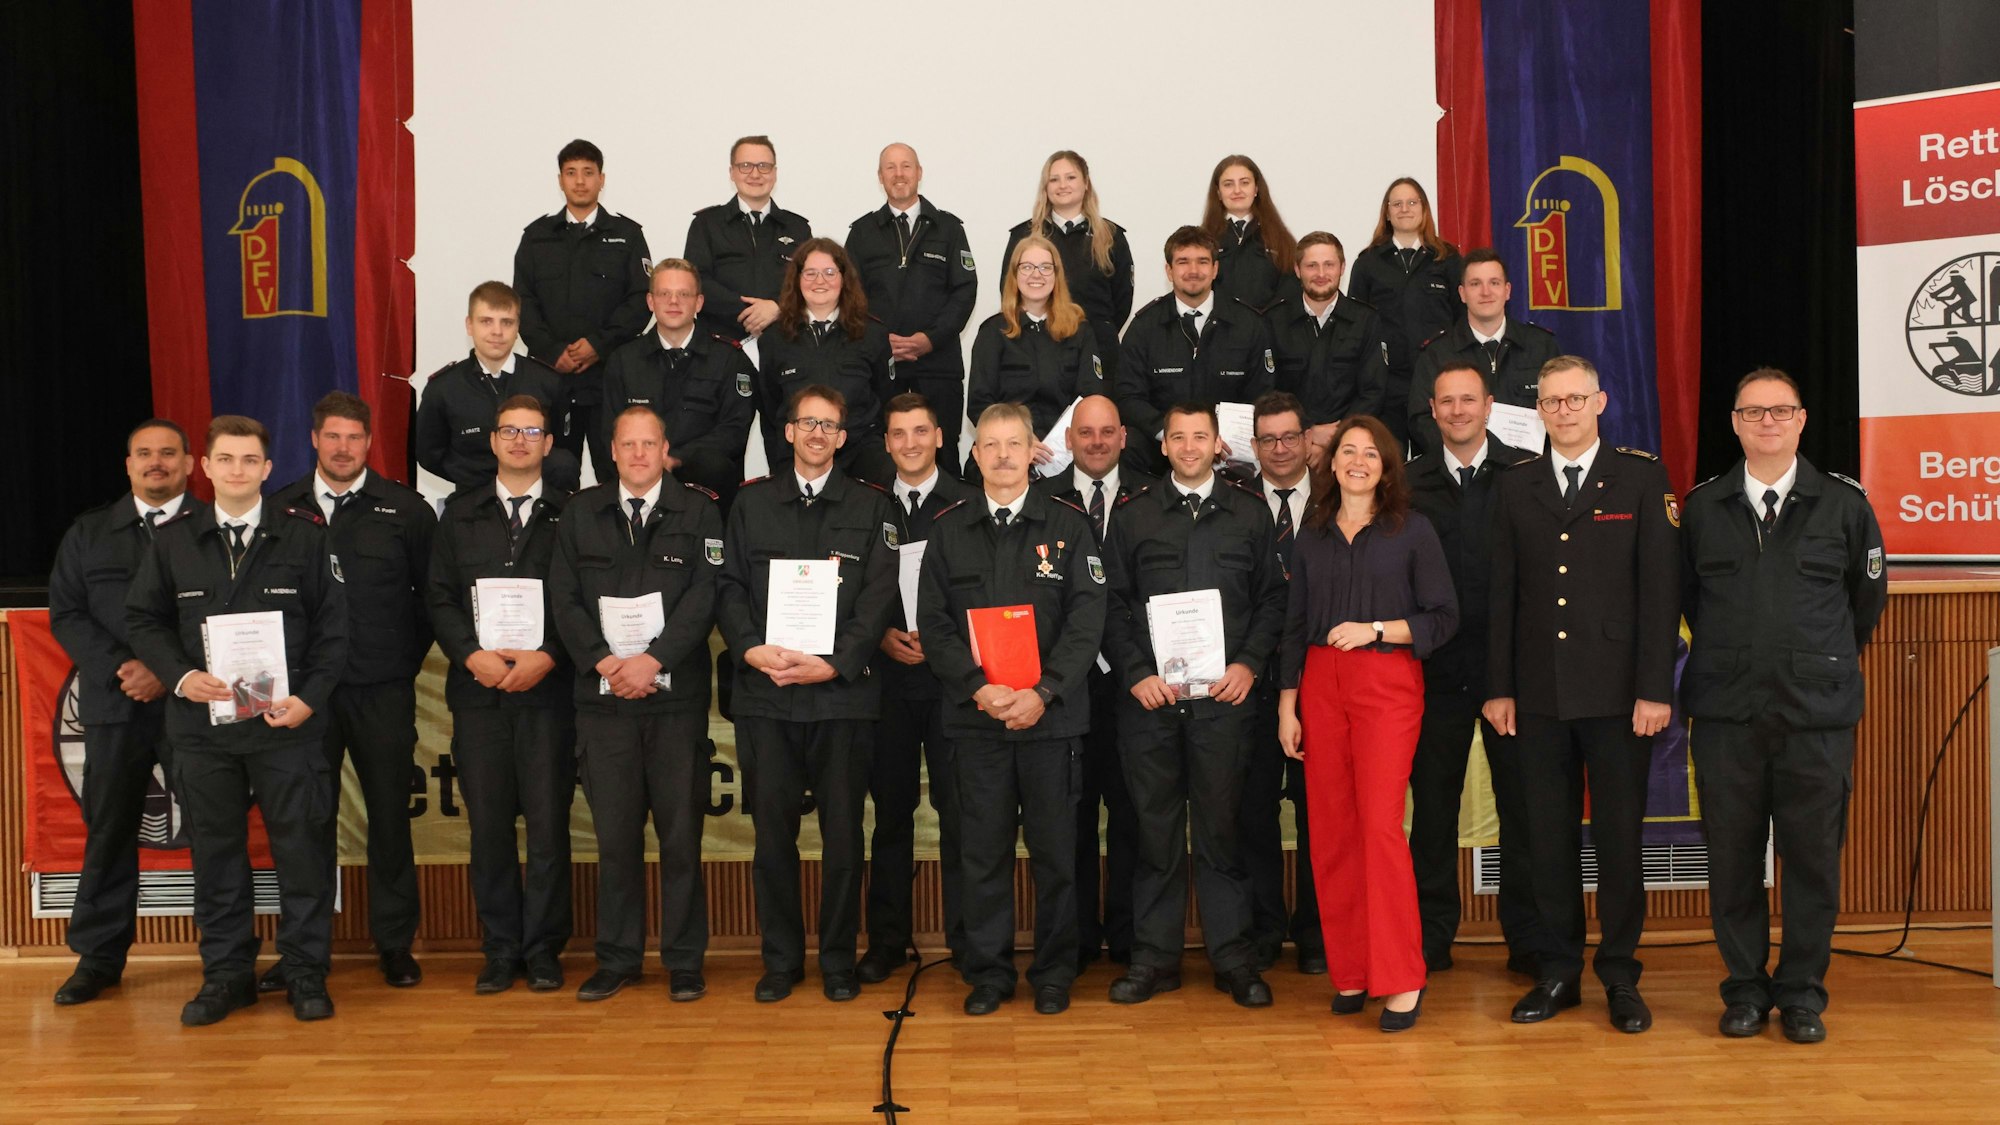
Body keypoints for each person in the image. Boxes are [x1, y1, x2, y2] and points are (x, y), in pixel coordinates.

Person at [1681, 368, 1887, 1045]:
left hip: (1815, 716)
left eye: (1780, 411)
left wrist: (1813, 663)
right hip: (1727, 714)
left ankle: (1801, 992)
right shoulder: (1703, 508)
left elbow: (1864, 605)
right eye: (1753, 412)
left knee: (1812, 862)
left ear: (1801, 420)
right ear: (1735, 424)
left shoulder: (1844, 505)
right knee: (1732, 859)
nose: (1767, 422)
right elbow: (1689, 600)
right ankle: (1744, 989)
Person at [125, 415, 348, 1025]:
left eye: (250, 460)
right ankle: (226, 975)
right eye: (225, 459)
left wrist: (309, 699)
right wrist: (179, 676)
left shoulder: (304, 536)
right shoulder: (173, 539)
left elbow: (334, 631)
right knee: (216, 856)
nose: (237, 470)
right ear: (205, 467)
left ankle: (304, 971)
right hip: (203, 732)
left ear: (267, 469)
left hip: (286, 728)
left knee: (302, 853)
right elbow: (142, 619)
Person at [1484, 355, 1679, 1034]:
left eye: (1575, 399)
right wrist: (1499, 687)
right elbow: (1501, 593)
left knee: (1620, 840)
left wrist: (1655, 688)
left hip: (1620, 696)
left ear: (1600, 402)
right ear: (1538, 409)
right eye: (1551, 401)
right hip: (1538, 695)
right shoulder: (1517, 485)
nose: (1563, 411)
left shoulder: (1641, 478)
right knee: (1548, 840)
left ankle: (1620, 974)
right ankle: (1560, 970)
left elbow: (1661, 592)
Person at [916, 402, 1106, 1015]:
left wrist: (1043, 693)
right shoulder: (948, 529)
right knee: (982, 854)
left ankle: (1053, 973)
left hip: (1052, 722)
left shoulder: (1069, 526)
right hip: (977, 722)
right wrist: (978, 688)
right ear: (974, 455)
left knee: (1057, 856)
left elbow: (1086, 621)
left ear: (1033, 453)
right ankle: (989, 973)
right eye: (990, 445)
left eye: (1013, 444)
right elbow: (934, 624)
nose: (1002, 455)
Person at [716, 385, 899, 1003]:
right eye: (807, 423)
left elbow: (878, 598)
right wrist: (749, 648)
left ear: (842, 438)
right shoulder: (751, 503)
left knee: (844, 839)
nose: (817, 434)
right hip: (766, 694)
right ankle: (781, 960)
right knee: (773, 839)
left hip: (840, 698)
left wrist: (836, 664)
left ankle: (839, 960)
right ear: (788, 431)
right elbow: (729, 586)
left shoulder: (871, 506)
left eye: (829, 425)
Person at [1102, 403, 1287, 1009]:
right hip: (1151, 705)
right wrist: (1136, 673)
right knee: (1154, 836)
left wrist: (1249, 664)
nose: (1188, 447)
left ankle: (1234, 958)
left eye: (1199, 436)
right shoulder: (1132, 515)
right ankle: (1154, 960)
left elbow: (1272, 601)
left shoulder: (1250, 514)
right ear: (1162, 446)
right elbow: (1110, 604)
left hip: (1224, 705)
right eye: (1177, 437)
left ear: (1217, 444)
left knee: (1223, 833)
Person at [1277, 413, 1456, 1032]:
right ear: (1330, 463)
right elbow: (1295, 623)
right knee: (1331, 830)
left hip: (1386, 682)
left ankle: (1401, 977)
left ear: (1386, 466)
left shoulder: (1412, 530)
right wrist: (1287, 706)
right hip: (1320, 684)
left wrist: (1376, 629)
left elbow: (1443, 617)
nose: (1357, 461)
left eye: (1370, 453)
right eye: (1347, 451)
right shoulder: (1313, 532)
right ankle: (1352, 969)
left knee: (1379, 827)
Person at [548, 406, 723, 1003]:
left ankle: (684, 961)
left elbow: (705, 596)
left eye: (650, 443)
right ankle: (618, 958)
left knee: (681, 838)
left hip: (675, 702)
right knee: (616, 840)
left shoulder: (699, 511)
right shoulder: (581, 513)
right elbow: (564, 598)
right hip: (603, 704)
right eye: (629, 444)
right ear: (613, 450)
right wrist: (604, 662)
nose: (640, 454)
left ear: (665, 448)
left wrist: (654, 660)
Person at [266, 393, 434, 992]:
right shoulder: (278, 509)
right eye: (332, 437)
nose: (343, 448)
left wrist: (397, 664)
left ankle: (395, 945)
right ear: (314, 439)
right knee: (305, 823)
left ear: (369, 442)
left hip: (380, 690)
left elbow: (431, 601)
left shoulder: (406, 510)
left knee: (389, 817)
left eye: (354, 438)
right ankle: (303, 951)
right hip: (304, 698)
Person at [48, 420, 206, 1005]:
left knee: (213, 828)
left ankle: (226, 957)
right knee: (110, 830)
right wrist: (124, 667)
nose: (155, 462)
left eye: (168, 453)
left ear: (189, 463)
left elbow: (228, 611)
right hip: (115, 704)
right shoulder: (90, 533)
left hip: (191, 702)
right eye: (144, 453)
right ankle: (98, 959)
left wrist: (167, 669)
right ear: (129, 464)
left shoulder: (215, 527)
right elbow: (67, 613)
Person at [425, 396, 575, 995]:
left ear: (548, 445)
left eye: (531, 432)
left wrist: (550, 655)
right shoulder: (459, 513)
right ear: (492, 441)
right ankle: (500, 947)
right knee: (488, 828)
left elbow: (580, 599)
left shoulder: (572, 513)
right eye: (509, 431)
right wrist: (471, 655)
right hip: (479, 692)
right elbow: (439, 597)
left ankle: (543, 949)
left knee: (548, 828)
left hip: (547, 692)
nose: (519, 441)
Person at [1404, 364, 1549, 975]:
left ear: (1490, 406)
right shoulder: (1407, 482)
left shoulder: (1525, 474)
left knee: (1523, 810)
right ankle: (1430, 939)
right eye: (1447, 401)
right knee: (1432, 813)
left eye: (1469, 400)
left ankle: (1529, 940)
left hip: (1509, 675)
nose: (1458, 410)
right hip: (1433, 674)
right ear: (1432, 410)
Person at [859, 392, 980, 982]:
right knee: (890, 817)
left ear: (939, 437)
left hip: (953, 684)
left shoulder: (969, 502)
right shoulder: (865, 504)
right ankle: (886, 942)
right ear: (886, 443)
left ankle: (968, 942)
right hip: (886, 684)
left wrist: (944, 641)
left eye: (920, 431)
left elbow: (982, 587)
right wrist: (879, 634)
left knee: (961, 815)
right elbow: (852, 585)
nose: (910, 443)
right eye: (898, 433)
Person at [1030, 394, 1152, 968]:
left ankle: (1128, 937)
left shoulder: (1153, 497)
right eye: (1086, 432)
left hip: (1134, 685)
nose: (1097, 442)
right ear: (1069, 440)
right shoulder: (1042, 501)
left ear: (1124, 436)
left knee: (1132, 813)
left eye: (1107, 432)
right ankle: (1076, 940)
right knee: (1069, 818)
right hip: (1062, 686)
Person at [1235, 392, 1327, 976]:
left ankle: (1317, 930)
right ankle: (1265, 927)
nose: (1279, 449)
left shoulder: (1338, 500)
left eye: (1290, 437)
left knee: (1321, 813)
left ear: (1308, 440)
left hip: (1320, 682)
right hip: (1252, 682)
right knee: (1253, 813)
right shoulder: (1234, 503)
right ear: (1253, 446)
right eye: (1267, 439)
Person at [512, 138, 652, 479]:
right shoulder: (537, 236)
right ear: (560, 180)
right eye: (571, 172)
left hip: (609, 376)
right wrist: (552, 351)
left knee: (615, 473)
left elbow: (640, 301)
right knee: (553, 473)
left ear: (602, 179)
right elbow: (522, 301)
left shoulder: (628, 235)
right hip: (550, 378)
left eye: (588, 172)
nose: (579, 181)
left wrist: (598, 345)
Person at [845, 144, 979, 460]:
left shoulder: (949, 229)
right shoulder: (862, 233)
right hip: (881, 366)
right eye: (890, 167)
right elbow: (849, 296)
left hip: (938, 365)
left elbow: (964, 292)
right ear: (880, 176)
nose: (899, 174)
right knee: (879, 456)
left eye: (906, 166)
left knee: (943, 455)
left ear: (919, 172)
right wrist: (879, 342)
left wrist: (930, 339)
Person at [1114, 227, 1275, 476]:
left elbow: (1262, 394)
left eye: (1202, 261)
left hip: (1228, 450)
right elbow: (1128, 396)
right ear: (1169, 271)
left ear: (1215, 269)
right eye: (1183, 262)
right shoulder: (1144, 326)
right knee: (1128, 443)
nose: (1193, 270)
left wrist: (1219, 438)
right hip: (1160, 449)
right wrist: (1169, 434)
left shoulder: (1248, 324)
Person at [599, 258, 757, 510]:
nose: (673, 302)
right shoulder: (623, 360)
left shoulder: (729, 359)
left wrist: (676, 459)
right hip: (639, 484)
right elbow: (610, 431)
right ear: (651, 301)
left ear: (699, 302)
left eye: (684, 294)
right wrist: (650, 459)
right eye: (664, 294)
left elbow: (734, 432)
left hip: (707, 491)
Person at [754, 238, 896, 485]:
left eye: (829, 272)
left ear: (844, 279)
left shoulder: (873, 334)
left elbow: (885, 398)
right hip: (798, 455)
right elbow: (770, 408)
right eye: (810, 273)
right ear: (797, 280)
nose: (819, 281)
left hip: (860, 454)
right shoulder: (774, 339)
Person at [414, 281, 578, 492]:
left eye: (507, 322)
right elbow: (429, 455)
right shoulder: (443, 388)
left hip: (538, 498)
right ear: (469, 325)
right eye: (486, 321)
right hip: (473, 499)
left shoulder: (548, 382)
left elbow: (563, 447)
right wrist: (478, 479)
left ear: (518, 327)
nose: (497, 332)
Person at [967, 236, 1106, 475]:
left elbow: (1091, 397)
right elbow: (979, 404)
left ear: (1056, 275)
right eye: (1027, 267)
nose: (1036, 274)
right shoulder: (992, 332)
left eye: (1045, 267)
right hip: (1007, 447)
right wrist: (1020, 439)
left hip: (1065, 451)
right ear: (1014, 274)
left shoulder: (1080, 330)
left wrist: (1062, 444)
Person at [1348, 177, 1462, 452]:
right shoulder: (1368, 262)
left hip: (1436, 381)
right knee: (1388, 463)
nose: (1405, 209)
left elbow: (1462, 320)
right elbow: (1354, 326)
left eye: (1412, 202)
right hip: (1386, 385)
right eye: (1396, 204)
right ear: (1387, 213)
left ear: (1424, 209)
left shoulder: (1447, 259)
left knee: (1435, 463)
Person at [1407, 248, 1558, 455]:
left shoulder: (1541, 346)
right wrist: (1464, 456)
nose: (1486, 292)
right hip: (1462, 468)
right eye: (1475, 284)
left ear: (1507, 290)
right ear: (1462, 293)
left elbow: (1560, 408)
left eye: (1494, 283)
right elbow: (1421, 419)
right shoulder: (1437, 353)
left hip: (1530, 466)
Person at [1002, 151, 1134, 385]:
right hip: (1038, 347)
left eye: (1071, 177)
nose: (1062, 185)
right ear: (1045, 187)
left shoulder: (1111, 236)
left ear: (1086, 183)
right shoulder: (1024, 235)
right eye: (1054, 179)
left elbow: (1122, 300)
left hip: (1098, 348)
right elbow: (1009, 290)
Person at [684, 135, 813, 366]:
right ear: (732, 172)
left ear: (775, 173)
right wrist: (750, 312)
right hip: (720, 347)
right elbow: (696, 281)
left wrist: (777, 308)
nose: (755, 174)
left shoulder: (798, 228)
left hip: (785, 346)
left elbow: (810, 283)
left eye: (764, 166)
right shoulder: (706, 224)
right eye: (745, 166)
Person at [1265, 232, 1389, 446]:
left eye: (1329, 265)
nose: (1321, 274)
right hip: (1288, 444)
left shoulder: (1366, 320)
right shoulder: (1274, 321)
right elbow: (1266, 391)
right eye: (1311, 266)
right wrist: (1307, 434)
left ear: (1342, 268)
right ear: (1297, 270)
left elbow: (1373, 392)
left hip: (1347, 443)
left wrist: (1336, 438)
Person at [1202, 155, 1298, 313]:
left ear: (1256, 189)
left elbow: (1290, 292)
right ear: (1218, 192)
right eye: (1228, 184)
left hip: (1268, 326)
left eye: (1245, 183)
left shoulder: (1280, 239)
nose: (1237, 190)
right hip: (1219, 326)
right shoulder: (1204, 240)